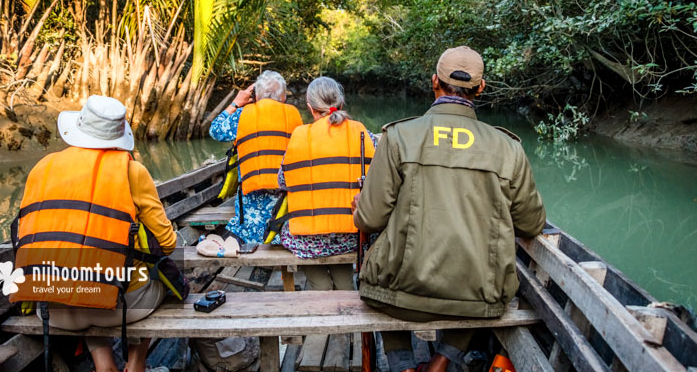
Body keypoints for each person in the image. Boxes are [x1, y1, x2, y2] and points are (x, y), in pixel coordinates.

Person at [352, 46, 546, 372]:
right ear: (480, 89)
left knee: (378, 281)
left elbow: (370, 220)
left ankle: (403, 366)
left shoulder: (399, 136)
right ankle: (443, 360)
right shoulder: (508, 148)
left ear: (434, 83)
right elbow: (532, 223)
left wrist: (362, 205)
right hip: (478, 299)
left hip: (400, 294)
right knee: (480, 281)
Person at [10, 95, 180, 372]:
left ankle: (104, 364)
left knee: (80, 267)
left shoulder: (42, 167)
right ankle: (135, 363)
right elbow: (167, 244)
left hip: (52, 308)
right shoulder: (132, 171)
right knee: (167, 278)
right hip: (117, 311)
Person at [273, 76, 378, 290]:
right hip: (353, 236)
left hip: (308, 240)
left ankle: (320, 287)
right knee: (342, 250)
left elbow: (282, 181)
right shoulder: (364, 134)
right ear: (340, 103)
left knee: (297, 236)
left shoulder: (299, 136)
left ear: (310, 108)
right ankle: (345, 287)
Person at [209, 70, 302, 243]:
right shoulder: (293, 115)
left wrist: (236, 103)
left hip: (250, 207)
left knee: (243, 225)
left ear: (256, 96)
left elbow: (215, 130)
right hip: (283, 204)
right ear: (283, 97)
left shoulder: (242, 115)